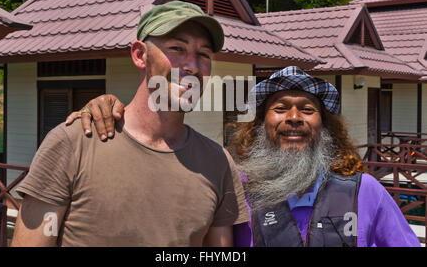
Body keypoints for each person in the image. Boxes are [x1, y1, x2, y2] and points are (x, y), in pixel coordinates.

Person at [71, 66, 421, 247]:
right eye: (280, 108)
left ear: (325, 128)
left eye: (308, 110)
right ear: (261, 126)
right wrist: (114, 113)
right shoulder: (233, 188)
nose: (294, 118)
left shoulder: (365, 192)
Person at [11, 1, 249, 247]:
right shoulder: (74, 142)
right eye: (177, 48)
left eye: (204, 54)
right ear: (140, 55)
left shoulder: (217, 162)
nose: (192, 66)